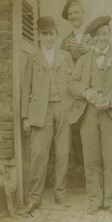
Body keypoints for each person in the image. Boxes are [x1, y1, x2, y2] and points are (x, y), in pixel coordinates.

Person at [68, 16, 112, 215]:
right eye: (97, 36)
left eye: (105, 34)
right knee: (91, 158)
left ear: (110, 35)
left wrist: (110, 100)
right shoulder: (84, 60)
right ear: (92, 39)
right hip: (88, 116)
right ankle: (94, 199)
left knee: (111, 158)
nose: (101, 38)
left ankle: (111, 199)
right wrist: (87, 92)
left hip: (111, 116)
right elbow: (72, 83)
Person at [18, 16, 75, 215]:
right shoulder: (33, 58)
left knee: (62, 153)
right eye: (44, 34)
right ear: (39, 36)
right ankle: (34, 198)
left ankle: (60, 194)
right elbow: (26, 89)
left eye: (51, 34)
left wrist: (73, 110)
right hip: (40, 111)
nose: (48, 38)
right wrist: (25, 116)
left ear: (56, 34)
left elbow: (73, 83)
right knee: (38, 155)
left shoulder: (65, 56)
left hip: (63, 108)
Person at [60, 0, 92, 168]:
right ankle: (81, 166)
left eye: (76, 12)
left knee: (93, 128)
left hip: (93, 88)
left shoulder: (93, 34)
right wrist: (65, 52)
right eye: (70, 14)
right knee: (77, 127)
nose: (73, 16)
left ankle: (94, 167)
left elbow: (109, 53)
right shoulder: (66, 40)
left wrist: (90, 50)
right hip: (75, 90)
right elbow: (60, 65)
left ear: (83, 13)